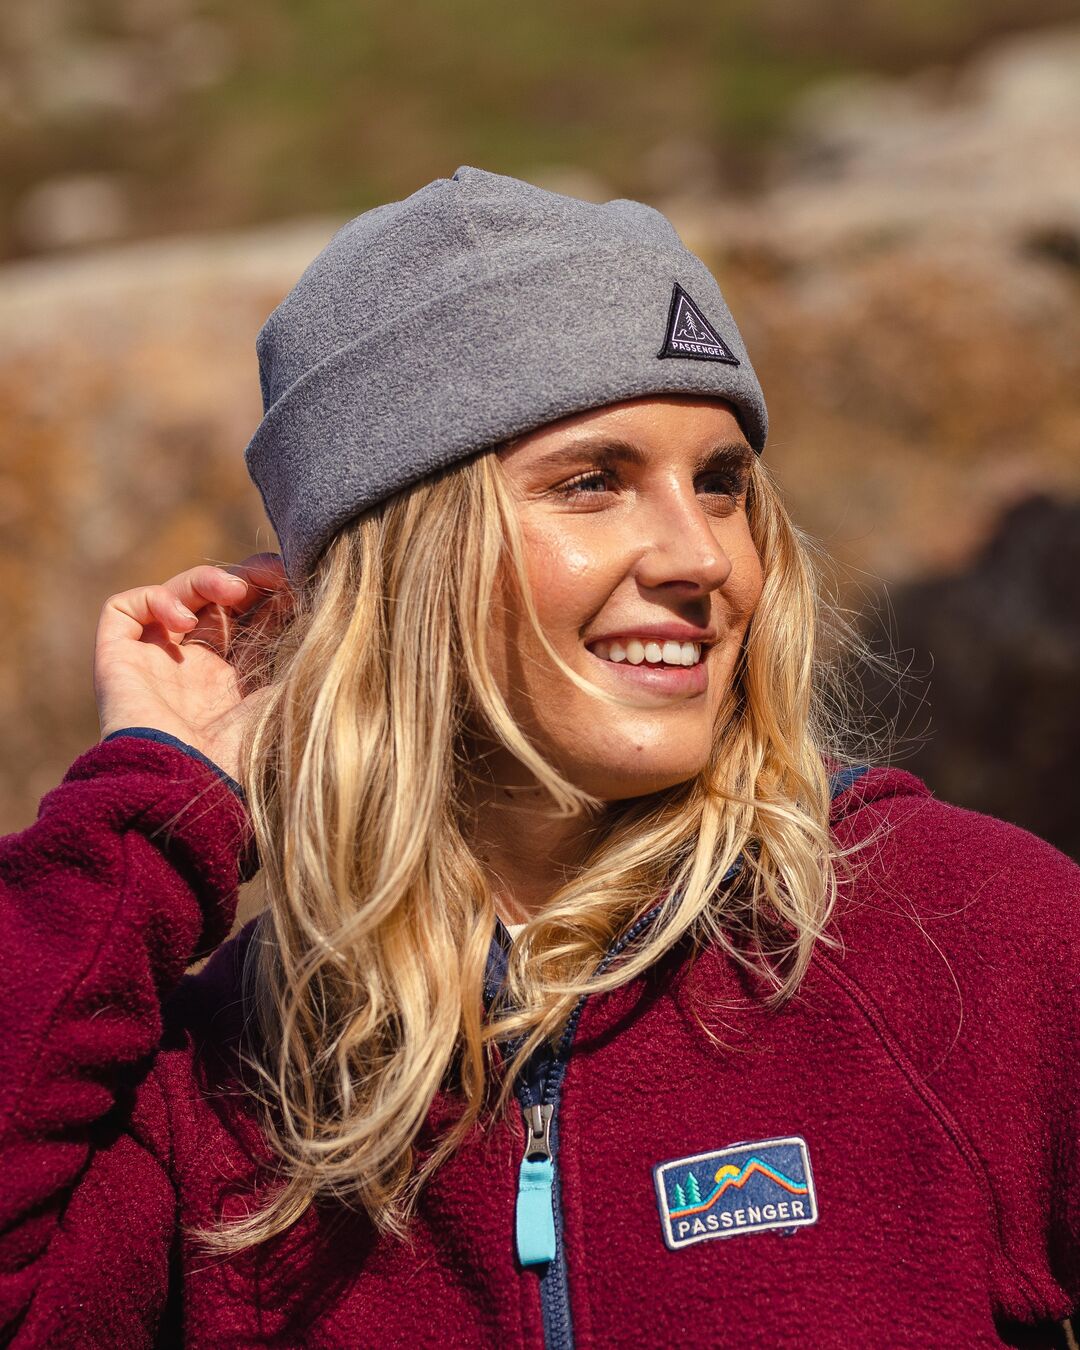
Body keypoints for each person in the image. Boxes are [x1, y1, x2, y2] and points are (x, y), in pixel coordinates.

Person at [0, 165, 1076, 1349]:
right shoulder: (221, 1080)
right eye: (594, 482)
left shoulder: (966, 936)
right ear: (401, 567)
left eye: (722, 484)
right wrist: (154, 808)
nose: (702, 556)